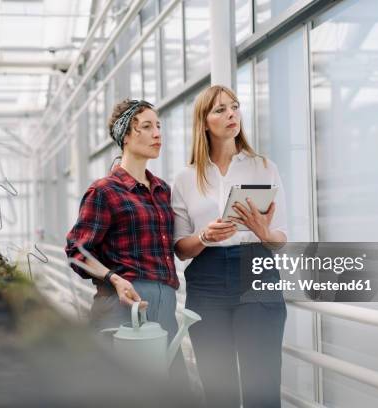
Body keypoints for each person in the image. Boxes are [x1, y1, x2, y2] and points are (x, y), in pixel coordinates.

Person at [172, 85, 288, 407]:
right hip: (206, 280)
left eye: (234, 107)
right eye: (220, 109)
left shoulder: (264, 167)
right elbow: (181, 248)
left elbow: (282, 238)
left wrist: (264, 232)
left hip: (256, 270)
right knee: (218, 389)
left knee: (261, 387)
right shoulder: (185, 178)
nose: (231, 114)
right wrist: (205, 237)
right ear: (204, 122)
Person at [64, 99, 185, 374]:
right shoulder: (105, 191)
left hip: (165, 304)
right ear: (126, 136)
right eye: (146, 126)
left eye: (158, 126)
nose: (157, 134)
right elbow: (76, 251)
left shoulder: (162, 190)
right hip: (122, 304)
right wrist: (114, 279)